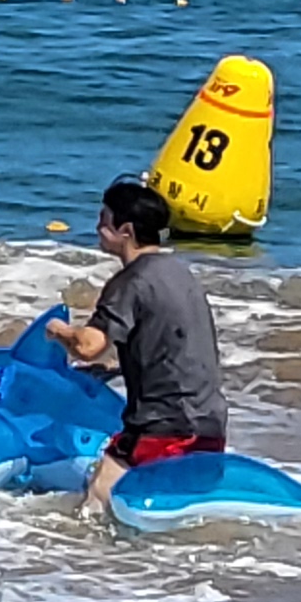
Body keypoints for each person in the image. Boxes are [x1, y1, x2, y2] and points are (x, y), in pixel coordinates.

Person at [50, 177, 227, 520]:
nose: (97, 228)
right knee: (172, 512)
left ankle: (81, 554)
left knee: (98, 497)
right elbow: (171, 344)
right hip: (209, 424)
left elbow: (88, 346)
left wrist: (58, 330)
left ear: (126, 230)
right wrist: (115, 368)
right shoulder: (181, 274)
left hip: (162, 427)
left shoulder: (130, 282)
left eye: (104, 220)